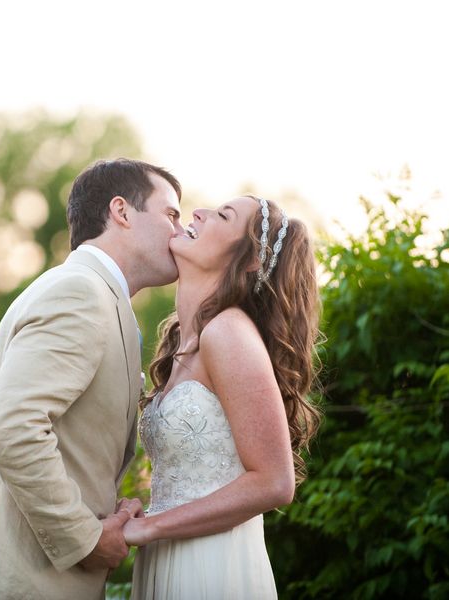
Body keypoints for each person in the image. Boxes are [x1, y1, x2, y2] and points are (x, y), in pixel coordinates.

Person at [0, 158, 185, 600]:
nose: (180, 231)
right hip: (24, 579)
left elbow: (75, 445)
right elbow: (12, 427)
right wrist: (85, 539)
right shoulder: (81, 293)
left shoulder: (102, 301)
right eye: (171, 214)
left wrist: (110, 510)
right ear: (122, 211)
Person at [124, 195, 322, 598]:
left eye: (222, 215)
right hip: (167, 556)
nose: (198, 212)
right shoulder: (184, 340)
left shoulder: (228, 332)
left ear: (250, 259)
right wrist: (142, 512)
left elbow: (274, 482)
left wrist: (151, 527)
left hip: (211, 566)